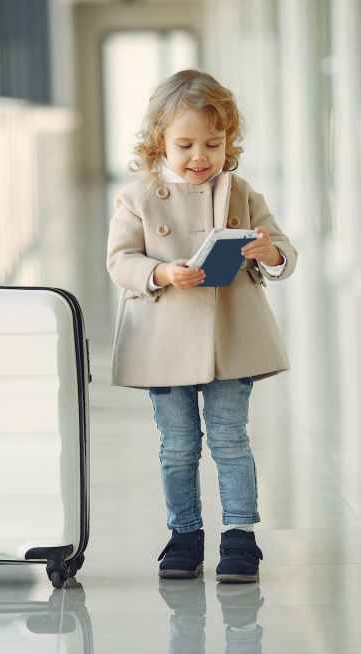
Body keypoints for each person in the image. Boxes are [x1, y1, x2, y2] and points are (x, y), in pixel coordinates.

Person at [106, 69, 296, 583]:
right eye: (185, 144)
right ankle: (185, 534)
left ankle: (240, 537)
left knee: (231, 439)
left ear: (229, 142)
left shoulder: (240, 192)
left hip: (229, 338)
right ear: (158, 143)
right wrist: (161, 271)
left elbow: (283, 250)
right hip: (163, 339)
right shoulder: (137, 198)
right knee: (178, 444)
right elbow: (119, 261)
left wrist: (268, 251)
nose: (199, 157)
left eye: (213, 144)